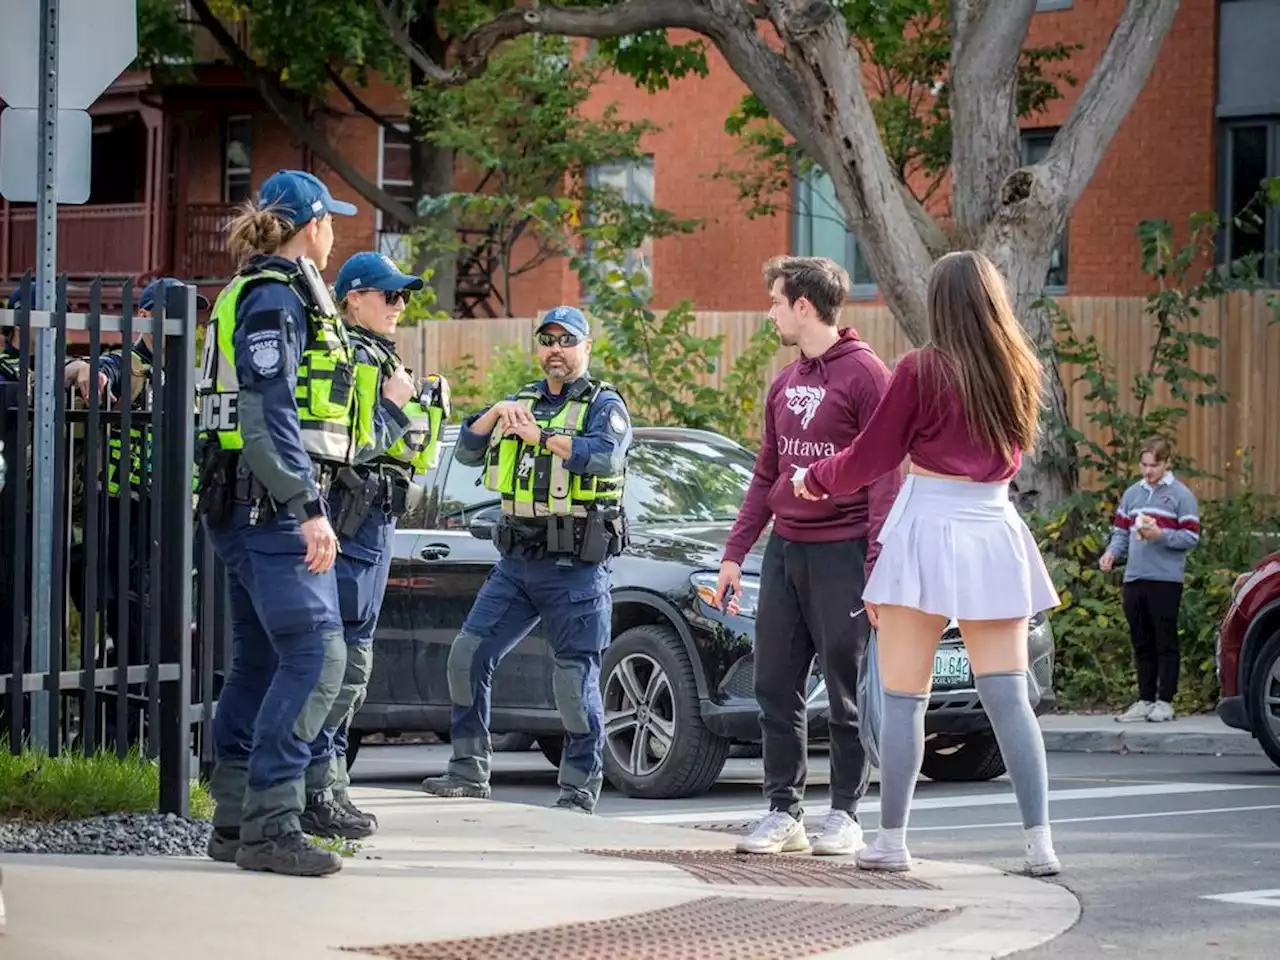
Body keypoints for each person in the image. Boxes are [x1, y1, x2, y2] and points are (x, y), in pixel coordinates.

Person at [794, 250, 1062, 877]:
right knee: (1010, 699)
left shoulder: (922, 368)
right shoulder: (1018, 369)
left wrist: (814, 479)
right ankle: (1040, 842)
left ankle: (892, 840)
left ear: (939, 303)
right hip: (994, 528)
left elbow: (871, 454)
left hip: (928, 530)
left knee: (905, 697)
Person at [194, 168, 360, 877]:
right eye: (331, 222)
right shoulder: (273, 296)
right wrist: (308, 509)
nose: (335, 235)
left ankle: (233, 822)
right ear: (311, 225)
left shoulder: (252, 290)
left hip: (242, 506)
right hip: (269, 511)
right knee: (318, 658)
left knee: (261, 661)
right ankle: (270, 827)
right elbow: (268, 416)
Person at [714, 255, 900, 856]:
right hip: (785, 552)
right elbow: (765, 473)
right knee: (774, 683)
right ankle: (782, 811)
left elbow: (885, 480)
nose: (768, 312)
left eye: (775, 302)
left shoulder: (868, 376)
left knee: (844, 690)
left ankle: (845, 813)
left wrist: (876, 568)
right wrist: (735, 555)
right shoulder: (785, 382)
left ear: (803, 305)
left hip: (842, 554)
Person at [421, 305, 631, 814]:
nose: (555, 349)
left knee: (572, 681)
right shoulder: (519, 401)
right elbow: (468, 453)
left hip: (576, 567)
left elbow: (605, 456)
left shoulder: (605, 404)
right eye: (547, 339)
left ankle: (579, 790)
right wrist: (493, 414)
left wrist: (540, 437)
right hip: (516, 563)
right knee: (466, 657)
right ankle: (468, 771)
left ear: (586, 348)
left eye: (566, 340)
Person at [299, 251, 450, 838]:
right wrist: (393, 404)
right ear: (353, 298)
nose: (400, 306)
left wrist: (424, 411)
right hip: (350, 516)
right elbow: (349, 445)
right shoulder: (350, 357)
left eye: (404, 296)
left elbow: (412, 455)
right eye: (389, 295)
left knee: (354, 663)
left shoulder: (381, 358)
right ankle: (317, 789)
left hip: (377, 518)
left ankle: (331, 786)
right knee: (338, 661)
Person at [1100, 438, 1199, 723]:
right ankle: (1144, 698)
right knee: (1141, 640)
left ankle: (1165, 701)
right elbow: (1121, 532)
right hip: (1135, 576)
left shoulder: (1181, 496)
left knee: (1164, 640)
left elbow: (1191, 537)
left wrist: (1162, 536)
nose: (1148, 471)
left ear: (1167, 463)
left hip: (1165, 579)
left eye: (1154, 465)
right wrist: (1111, 553)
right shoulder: (1133, 494)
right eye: (1144, 464)